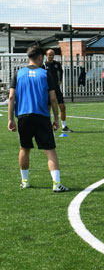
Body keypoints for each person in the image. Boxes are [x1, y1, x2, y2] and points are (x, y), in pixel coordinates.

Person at [7, 46, 68, 192]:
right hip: (42, 117)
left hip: (23, 117)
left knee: (24, 148)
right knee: (50, 151)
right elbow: (53, 99)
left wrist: (10, 119)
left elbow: (11, 97)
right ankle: (56, 184)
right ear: (40, 57)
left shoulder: (18, 73)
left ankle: (25, 181)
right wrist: (56, 118)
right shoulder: (45, 74)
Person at [43, 49, 73, 132]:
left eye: (52, 55)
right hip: (48, 90)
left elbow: (60, 72)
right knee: (48, 108)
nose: (51, 56)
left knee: (62, 107)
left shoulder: (57, 64)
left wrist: (59, 79)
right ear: (46, 55)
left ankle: (64, 126)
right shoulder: (44, 65)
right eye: (49, 55)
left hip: (56, 89)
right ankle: (48, 127)